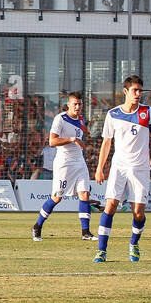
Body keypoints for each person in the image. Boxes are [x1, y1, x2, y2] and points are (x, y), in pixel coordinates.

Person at [92, 75, 151, 264]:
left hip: (140, 168)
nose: (138, 94)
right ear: (126, 92)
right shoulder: (113, 114)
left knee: (138, 212)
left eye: (140, 90)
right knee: (110, 206)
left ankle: (134, 243)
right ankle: (101, 251)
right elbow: (106, 143)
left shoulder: (148, 112)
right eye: (134, 90)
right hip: (119, 166)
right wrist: (100, 168)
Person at [32, 92, 95, 242]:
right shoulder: (60, 118)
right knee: (57, 197)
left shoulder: (80, 120)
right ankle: (37, 226)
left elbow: (80, 140)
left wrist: (83, 144)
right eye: (75, 104)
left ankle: (85, 232)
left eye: (80, 104)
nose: (78, 107)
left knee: (84, 194)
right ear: (68, 104)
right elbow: (52, 142)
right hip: (64, 162)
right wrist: (72, 139)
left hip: (79, 161)